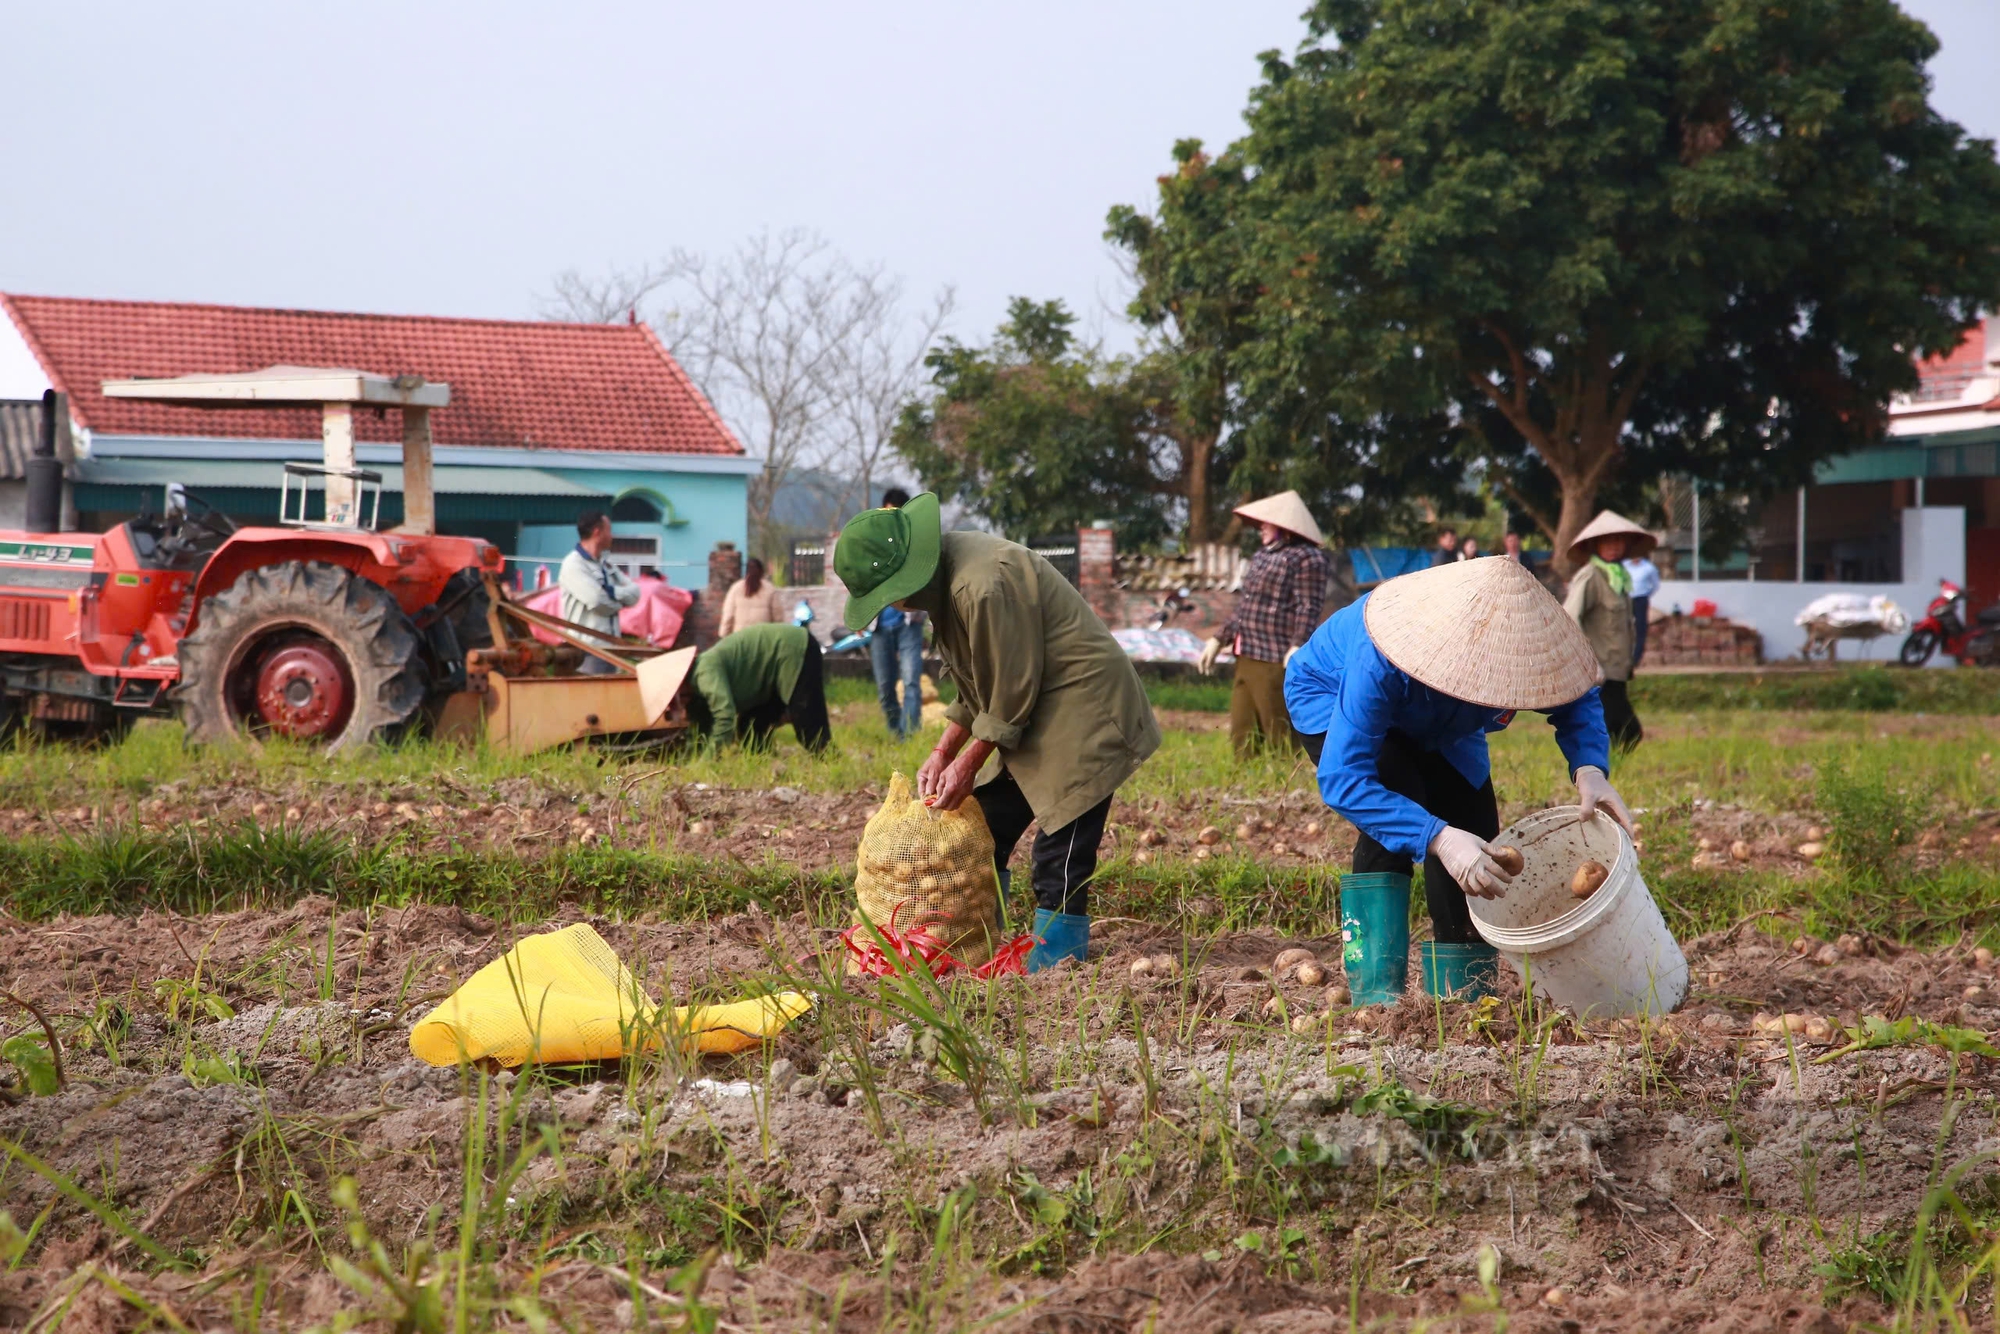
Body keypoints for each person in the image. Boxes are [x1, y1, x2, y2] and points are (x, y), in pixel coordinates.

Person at [834, 492, 1160, 971]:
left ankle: (1057, 962)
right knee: (987, 823)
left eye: (887, 595)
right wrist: (942, 751)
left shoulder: (980, 586)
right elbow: (976, 683)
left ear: (906, 577)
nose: (891, 606)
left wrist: (969, 762)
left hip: (1084, 708)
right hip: (1035, 706)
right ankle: (973, 940)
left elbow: (1007, 690)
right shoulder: (947, 585)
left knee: (1063, 840)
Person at [1285, 557, 1633, 1003]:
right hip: (1331, 693)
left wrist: (1590, 768)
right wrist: (1437, 837)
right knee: (1395, 808)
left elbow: (1576, 694)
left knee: (1476, 832)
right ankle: (1375, 995)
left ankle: (1464, 995)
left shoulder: (1525, 643)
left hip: (1447, 722)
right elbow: (1343, 778)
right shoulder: (1381, 658)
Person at [1198, 491, 1332, 758]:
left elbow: (1308, 606)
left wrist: (1298, 643)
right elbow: (1247, 606)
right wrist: (1219, 638)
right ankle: (1247, 780)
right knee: (1242, 732)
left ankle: (1284, 782)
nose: (1261, 527)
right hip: (1246, 650)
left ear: (1285, 527)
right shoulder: (1262, 555)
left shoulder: (1307, 558)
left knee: (1279, 731)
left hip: (1275, 654)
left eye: (1268, 523)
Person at [1563, 511, 1653, 751]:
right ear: (1595, 545)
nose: (1614, 546)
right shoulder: (1591, 576)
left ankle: (1609, 770)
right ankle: (1602, 771)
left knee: (1615, 730)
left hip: (1617, 669)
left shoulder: (1619, 578)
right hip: (1599, 672)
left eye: (1619, 540)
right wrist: (1587, 660)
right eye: (1607, 541)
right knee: (1627, 730)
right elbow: (1570, 617)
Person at [686, 622, 831, 754]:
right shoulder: (701, 678)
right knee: (750, 727)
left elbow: (725, 717)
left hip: (794, 648)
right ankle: (766, 765)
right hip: (771, 670)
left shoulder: (704, 673)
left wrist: (707, 759)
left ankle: (831, 762)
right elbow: (704, 727)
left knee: (809, 727)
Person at [867, 487, 926, 738]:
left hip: (909, 623)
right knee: (885, 687)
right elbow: (862, 580)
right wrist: (860, 616)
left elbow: (925, 577)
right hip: (880, 626)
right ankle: (895, 732)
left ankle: (909, 736)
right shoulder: (873, 544)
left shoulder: (915, 543)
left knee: (911, 681)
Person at [560, 510, 641, 674]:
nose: (612, 536)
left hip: (610, 649)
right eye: (609, 531)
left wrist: (610, 592)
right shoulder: (574, 564)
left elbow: (635, 593)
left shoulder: (606, 564)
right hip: (587, 651)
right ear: (597, 532)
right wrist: (620, 602)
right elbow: (596, 600)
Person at [718, 557, 784, 637]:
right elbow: (778, 617)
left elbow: (728, 615)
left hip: (740, 638)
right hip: (763, 638)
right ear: (761, 572)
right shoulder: (770, 589)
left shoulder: (735, 588)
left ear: (746, 571)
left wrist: (724, 634)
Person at [1624, 547, 1662, 668]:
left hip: (1641, 599)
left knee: (1640, 628)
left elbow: (1655, 585)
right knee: (1624, 627)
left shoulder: (1649, 567)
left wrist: (1645, 594)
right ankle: (1624, 656)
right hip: (1626, 599)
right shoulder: (1625, 566)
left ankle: (1636, 658)